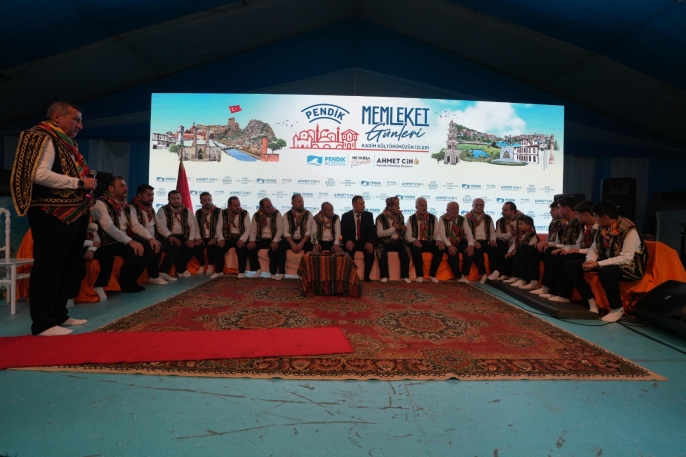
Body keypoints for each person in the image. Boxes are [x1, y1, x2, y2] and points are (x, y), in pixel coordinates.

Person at [10, 101, 96, 335]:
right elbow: (38, 175)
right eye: (76, 119)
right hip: (51, 212)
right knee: (49, 267)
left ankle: (59, 314)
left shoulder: (66, 142)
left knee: (68, 266)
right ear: (57, 117)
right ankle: (43, 323)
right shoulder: (41, 136)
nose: (80, 125)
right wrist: (79, 183)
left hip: (73, 211)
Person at [564, 201, 648, 322]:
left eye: (596, 216)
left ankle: (617, 308)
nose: (595, 219)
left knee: (606, 271)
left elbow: (626, 257)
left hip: (630, 266)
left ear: (605, 217)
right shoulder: (602, 228)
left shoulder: (630, 231)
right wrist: (590, 261)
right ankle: (591, 300)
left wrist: (598, 264)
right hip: (607, 261)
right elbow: (594, 249)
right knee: (571, 265)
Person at [93, 176, 158, 293]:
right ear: (111, 188)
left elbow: (135, 225)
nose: (126, 188)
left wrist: (151, 238)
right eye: (121, 186)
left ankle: (133, 280)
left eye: (126, 185)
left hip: (123, 240)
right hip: (108, 242)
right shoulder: (100, 203)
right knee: (133, 251)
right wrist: (130, 241)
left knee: (150, 247)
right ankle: (126, 284)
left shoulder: (125, 205)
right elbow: (108, 227)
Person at [534, 200, 598, 303]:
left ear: (585, 215)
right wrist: (565, 249)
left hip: (593, 256)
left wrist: (574, 250)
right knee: (554, 252)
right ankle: (549, 288)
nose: (576, 217)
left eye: (577, 214)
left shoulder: (595, 227)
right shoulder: (585, 226)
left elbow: (596, 249)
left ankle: (563, 294)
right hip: (585, 251)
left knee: (567, 257)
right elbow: (577, 244)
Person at [529, 196, 583, 291]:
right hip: (563, 248)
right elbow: (557, 241)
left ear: (566, 209)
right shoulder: (562, 223)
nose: (558, 210)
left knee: (552, 251)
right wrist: (548, 243)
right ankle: (535, 282)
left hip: (573, 250)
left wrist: (553, 245)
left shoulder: (580, 224)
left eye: (559, 208)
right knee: (534, 248)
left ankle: (551, 288)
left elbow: (578, 245)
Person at [130, 184, 177, 284]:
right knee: (155, 246)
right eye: (149, 195)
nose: (151, 197)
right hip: (138, 238)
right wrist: (150, 238)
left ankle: (163, 272)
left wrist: (169, 236)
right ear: (140, 195)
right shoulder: (131, 208)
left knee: (173, 244)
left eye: (152, 195)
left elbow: (159, 224)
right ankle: (151, 276)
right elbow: (136, 227)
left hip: (151, 238)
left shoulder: (150, 208)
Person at [69, 204, 114, 305]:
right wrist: (91, 244)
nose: (92, 210)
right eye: (89, 208)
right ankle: (70, 296)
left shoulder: (90, 220)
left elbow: (96, 239)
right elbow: (73, 240)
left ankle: (99, 285)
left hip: (88, 246)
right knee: (80, 268)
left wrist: (91, 250)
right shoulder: (73, 218)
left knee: (108, 258)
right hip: (74, 247)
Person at [156, 190, 201, 278]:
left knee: (193, 247)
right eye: (173, 198)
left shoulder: (186, 210)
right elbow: (162, 227)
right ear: (168, 199)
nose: (176, 201)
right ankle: (180, 269)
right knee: (176, 245)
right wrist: (170, 236)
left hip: (182, 235)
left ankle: (180, 268)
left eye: (178, 198)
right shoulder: (163, 210)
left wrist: (191, 239)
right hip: (167, 236)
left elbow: (193, 224)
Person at [405, 197, 442, 283]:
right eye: (422, 206)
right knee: (415, 249)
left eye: (425, 205)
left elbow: (436, 233)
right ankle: (419, 275)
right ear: (416, 207)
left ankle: (432, 275)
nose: (425, 208)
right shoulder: (411, 218)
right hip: (417, 241)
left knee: (440, 248)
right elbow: (407, 235)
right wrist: (414, 240)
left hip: (429, 241)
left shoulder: (433, 218)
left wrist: (438, 240)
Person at [214, 196, 253, 279]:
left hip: (240, 237)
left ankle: (241, 272)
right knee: (218, 247)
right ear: (229, 206)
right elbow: (219, 227)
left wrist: (242, 239)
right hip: (228, 237)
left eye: (239, 205)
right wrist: (221, 239)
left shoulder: (244, 213)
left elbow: (248, 228)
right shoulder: (223, 213)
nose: (238, 207)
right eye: (235, 206)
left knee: (242, 248)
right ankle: (219, 272)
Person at [375, 196, 410, 283]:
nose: (399, 207)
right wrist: (393, 228)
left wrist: (403, 229)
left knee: (406, 250)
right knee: (381, 250)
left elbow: (401, 231)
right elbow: (379, 233)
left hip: (398, 241)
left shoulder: (400, 216)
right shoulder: (380, 217)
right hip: (385, 242)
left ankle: (405, 276)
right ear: (390, 207)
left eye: (398, 205)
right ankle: (384, 276)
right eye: (396, 205)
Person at [462, 198, 497, 283]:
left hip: (486, 240)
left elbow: (492, 232)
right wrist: (473, 241)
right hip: (474, 240)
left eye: (481, 205)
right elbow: (464, 233)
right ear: (472, 206)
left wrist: (492, 239)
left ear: (484, 206)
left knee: (494, 249)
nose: (479, 207)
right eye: (477, 205)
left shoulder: (488, 218)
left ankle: (494, 273)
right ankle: (483, 274)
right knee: (477, 250)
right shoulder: (466, 217)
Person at [341, 195, 375, 282]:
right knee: (348, 251)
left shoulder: (369, 215)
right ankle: (350, 276)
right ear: (354, 205)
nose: (363, 206)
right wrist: (348, 240)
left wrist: (369, 241)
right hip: (352, 241)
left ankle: (366, 276)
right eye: (361, 204)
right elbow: (343, 231)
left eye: (364, 204)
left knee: (370, 252)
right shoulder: (346, 216)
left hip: (364, 241)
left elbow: (372, 230)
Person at [247, 198, 283, 279]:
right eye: (268, 207)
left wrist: (275, 241)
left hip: (273, 239)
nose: (271, 208)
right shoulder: (256, 215)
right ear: (262, 208)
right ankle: (258, 269)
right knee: (250, 248)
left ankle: (273, 273)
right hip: (261, 239)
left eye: (271, 206)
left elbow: (280, 229)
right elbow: (253, 231)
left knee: (274, 250)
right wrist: (252, 240)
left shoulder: (276, 213)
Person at [278, 194, 313, 278]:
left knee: (310, 245)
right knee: (281, 244)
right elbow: (285, 231)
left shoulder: (308, 214)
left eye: (302, 201)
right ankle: (281, 272)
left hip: (303, 239)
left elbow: (309, 230)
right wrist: (292, 244)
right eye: (299, 202)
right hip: (291, 239)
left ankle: (304, 273)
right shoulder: (286, 215)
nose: (301, 203)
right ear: (292, 203)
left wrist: (301, 244)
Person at [436, 201, 472, 283]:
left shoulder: (462, 219)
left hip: (458, 241)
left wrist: (471, 245)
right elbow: (442, 234)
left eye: (457, 208)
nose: (456, 210)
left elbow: (468, 232)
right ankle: (458, 276)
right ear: (447, 210)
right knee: (453, 253)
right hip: (447, 242)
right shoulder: (442, 218)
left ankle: (464, 274)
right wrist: (449, 245)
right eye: (453, 208)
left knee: (469, 250)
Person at [500, 216, 539, 283]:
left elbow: (530, 247)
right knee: (508, 256)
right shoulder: (519, 234)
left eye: (521, 224)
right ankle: (507, 274)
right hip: (518, 252)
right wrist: (509, 251)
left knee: (518, 257)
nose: (519, 226)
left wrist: (517, 251)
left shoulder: (532, 235)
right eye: (518, 224)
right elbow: (514, 244)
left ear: (528, 226)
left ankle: (516, 276)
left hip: (526, 254)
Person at [488, 201, 520, 280]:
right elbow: (498, 235)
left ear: (512, 211)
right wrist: (509, 234)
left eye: (505, 210)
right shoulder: (500, 221)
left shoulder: (521, 220)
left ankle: (498, 272)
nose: (502, 212)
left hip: (517, 244)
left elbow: (526, 235)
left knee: (511, 250)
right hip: (505, 243)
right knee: (497, 247)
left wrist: (513, 242)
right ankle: (500, 273)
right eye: (502, 209)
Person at [195, 192, 221, 275]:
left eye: (209, 199)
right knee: (196, 248)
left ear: (211, 199)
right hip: (202, 237)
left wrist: (215, 238)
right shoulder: (198, 212)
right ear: (201, 202)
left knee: (210, 247)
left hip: (214, 237)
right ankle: (202, 265)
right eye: (204, 200)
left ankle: (210, 265)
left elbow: (221, 227)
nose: (207, 202)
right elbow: (196, 227)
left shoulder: (219, 211)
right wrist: (198, 238)